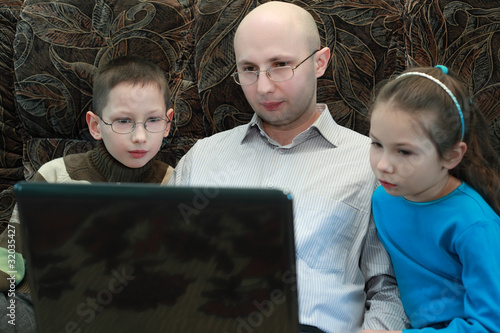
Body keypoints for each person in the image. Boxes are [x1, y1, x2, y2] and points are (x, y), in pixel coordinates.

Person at [169, 2, 408, 332]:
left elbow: (390, 293)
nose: (264, 87)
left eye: (281, 65)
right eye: (249, 69)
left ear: (320, 62)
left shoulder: (372, 165)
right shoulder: (202, 158)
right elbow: (160, 267)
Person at [0, 55, 174, 331]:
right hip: (40, 303)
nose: (140, 136)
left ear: (167, 122)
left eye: (152, 120)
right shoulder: (56, 174)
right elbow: (12, 246)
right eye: (124, 121)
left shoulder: (173, 183)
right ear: (95, 126)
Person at [365, 66, 500, 332]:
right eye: (376, 144)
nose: (383, 165)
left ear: (451, 155)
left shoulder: (474, 225)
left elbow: (490, 323)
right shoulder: (382, 199)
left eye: (404, 151)